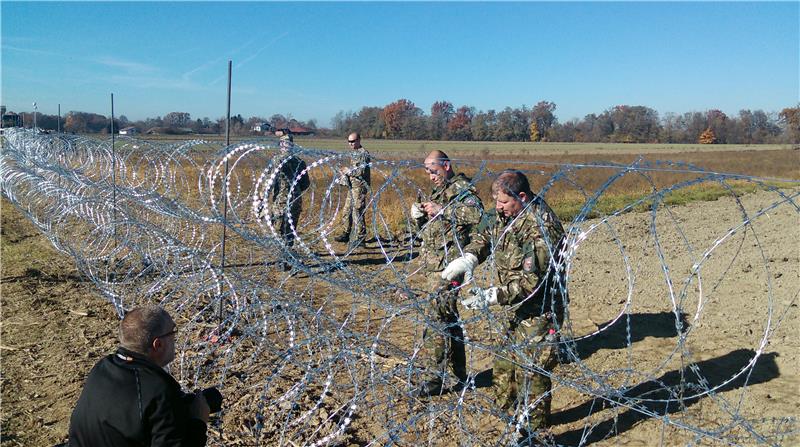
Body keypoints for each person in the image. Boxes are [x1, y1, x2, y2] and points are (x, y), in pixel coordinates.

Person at [441, 170, 566, 441]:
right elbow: (486, 233)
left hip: (539, 310)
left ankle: (534, 433)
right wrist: (471, 257)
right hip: (514, 307)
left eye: (503, 203)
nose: (498, 208)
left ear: (522, 197)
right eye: (496, 202)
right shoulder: (506, 212)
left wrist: (493, 296)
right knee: (504, 364)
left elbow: (532, 283)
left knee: (532, 372)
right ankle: (511, 415)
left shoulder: (542, 228)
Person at [68, 306, 211, 446]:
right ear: (158, 344)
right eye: (173, 331)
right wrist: (198, 421)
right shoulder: (159, 390)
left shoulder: (103, 366)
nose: (175, 337)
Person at [410, 150, 483, 397]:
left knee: (436, 318)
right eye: (427, 172)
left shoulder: (462, 188)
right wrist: (418, 218)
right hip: (434, 263)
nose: (430, 176)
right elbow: (431, 228)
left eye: (434, 171)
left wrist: (443, 209)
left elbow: (477, 214)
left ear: (446, 166)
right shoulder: (437, 190)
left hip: (450, 265)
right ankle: (460, 372)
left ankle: (435, 378)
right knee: (447, 318)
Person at [262, 130, 311, 265]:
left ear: (281, 145)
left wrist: (262, 199)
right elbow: (306, 183)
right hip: (295, 201)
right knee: (289, 231)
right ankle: (287, 256)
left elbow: (269, 182)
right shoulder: (300, 162)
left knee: (279, 230)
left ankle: (284, 259)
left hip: (281, 202)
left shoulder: (277, 160)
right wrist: (295, 192)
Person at [333, 132, 371, 248]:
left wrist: (348, 171)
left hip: (360, 187)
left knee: (357, 211)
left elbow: (361, 171)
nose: (351, 144)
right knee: (346, 210)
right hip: (352, 187)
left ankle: (360, 238)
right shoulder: (354, 153)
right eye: (349, 142)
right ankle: (346, 233)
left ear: (359, 140)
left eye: (353, 141)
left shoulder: (363, 154)